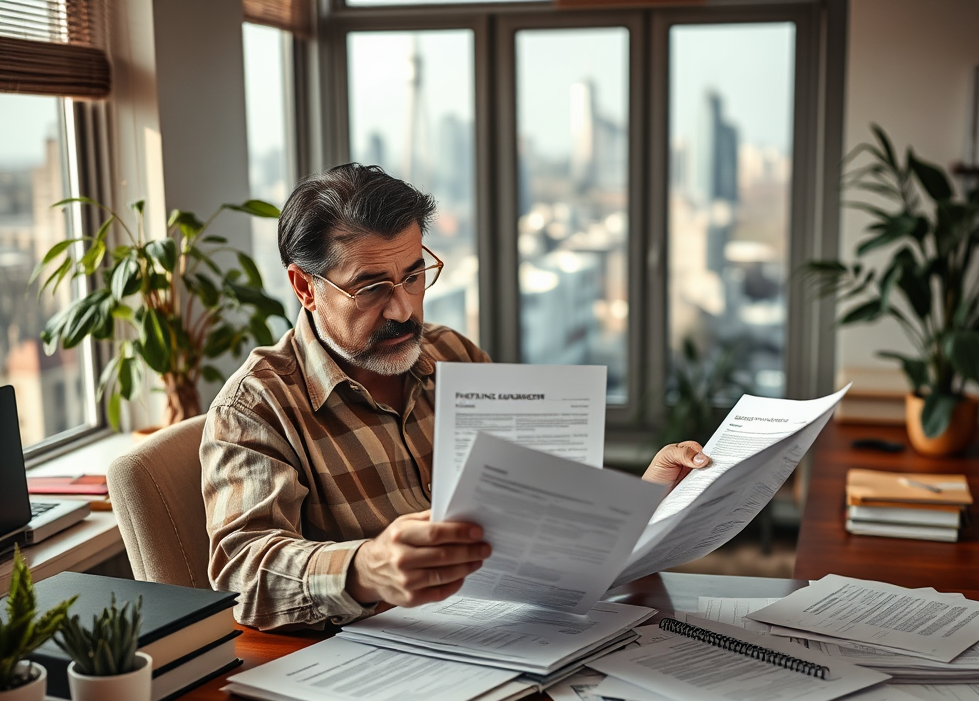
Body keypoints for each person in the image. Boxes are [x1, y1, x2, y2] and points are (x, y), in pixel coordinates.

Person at [201, 164, 711, 631]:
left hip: (513, 631)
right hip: (380, 663)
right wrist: (365, 570)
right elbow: (240, 573)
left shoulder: (453, 354)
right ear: (305, 287)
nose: (404, 309)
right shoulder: (255, 408)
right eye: (372, 286)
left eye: (414, 274)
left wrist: (646, 497)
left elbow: (543, 511)